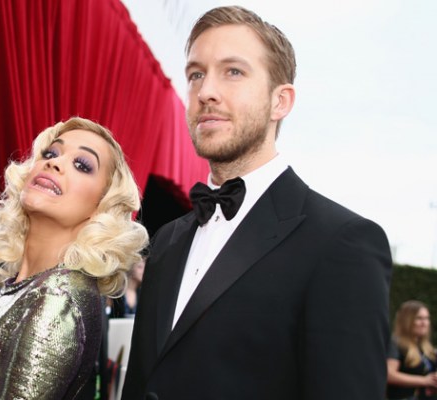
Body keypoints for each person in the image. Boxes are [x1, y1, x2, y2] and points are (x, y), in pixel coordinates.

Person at [121, 5, 392, 400]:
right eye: (196, 74)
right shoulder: (166, 239)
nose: (205, 91)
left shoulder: (342, 243)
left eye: (233, 71)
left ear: (280, 101)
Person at [0, 116, 148, 399]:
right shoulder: (30, 286)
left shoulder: (56, 297)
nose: (54, 163)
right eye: (50, 153)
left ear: (100, 206)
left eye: (82, 165)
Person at [387, 300, 437, 400]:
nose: (424, 323)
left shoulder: (425, 348)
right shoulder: (396, 344)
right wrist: (424, 381)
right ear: (407, 320)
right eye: (419, 318)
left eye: (426, 318)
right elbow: (389, 374)